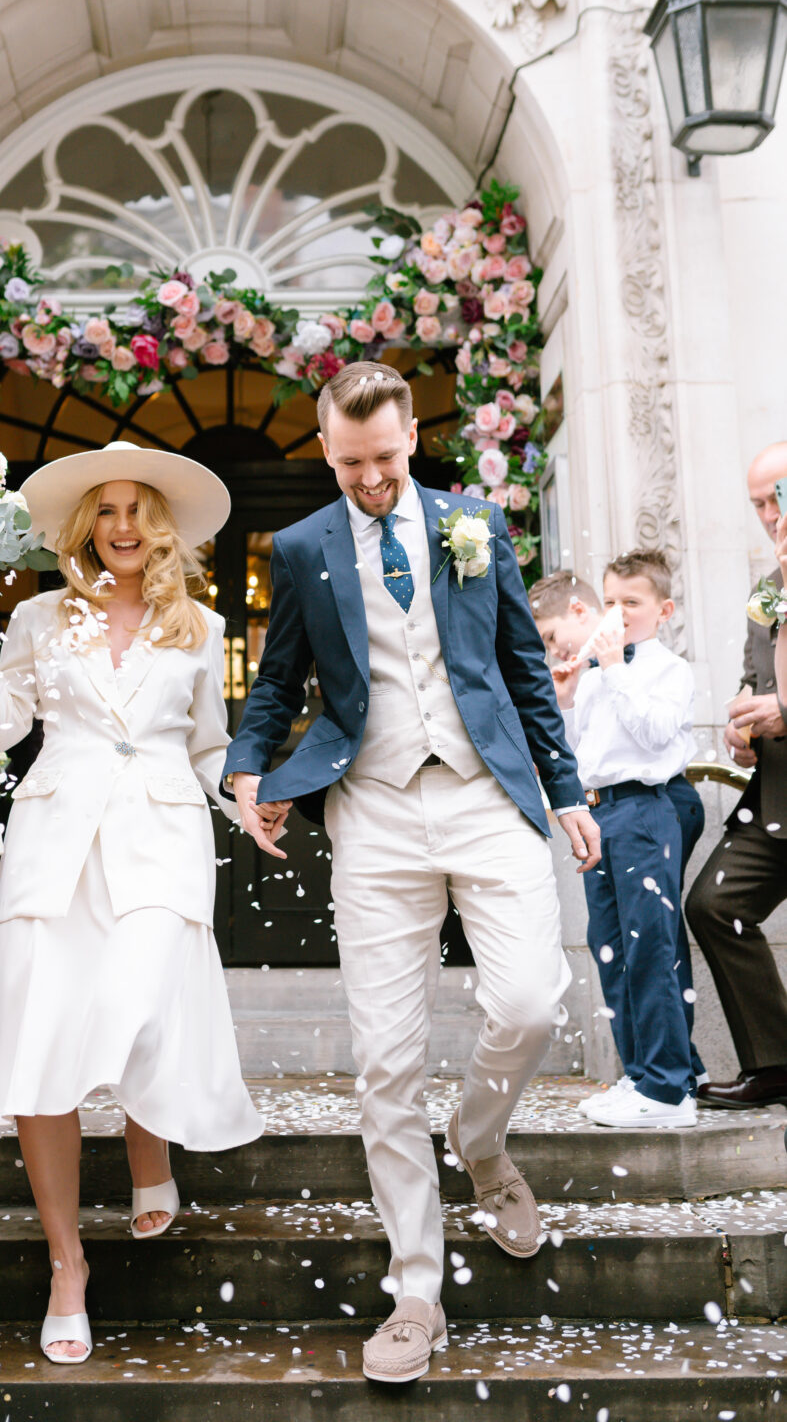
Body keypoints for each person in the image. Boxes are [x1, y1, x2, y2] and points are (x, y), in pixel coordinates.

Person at [223, 362, 598, 1384]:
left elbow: (521, 665)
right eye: (348, 464)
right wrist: (248, 766)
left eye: (384, 459)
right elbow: (278, 676)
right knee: (384, 1060)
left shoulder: (473, 524)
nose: (369, 480)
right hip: (374, 807)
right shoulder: (302, 547)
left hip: (486, 795)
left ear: (410, 436)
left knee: (527, 1001)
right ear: (324, 450)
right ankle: (415, 1289)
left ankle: (479, 1140)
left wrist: (562, 789)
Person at [0, 441, 264, 1366]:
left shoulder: (199, 626)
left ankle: (149, 1157)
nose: (122, 527)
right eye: (106, 511)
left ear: (160, 526)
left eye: (137, 511)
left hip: (162, 836)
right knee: (42, 1037)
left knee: (148, 998)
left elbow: (210, 746)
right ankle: (66, 1262)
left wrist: (242, 795)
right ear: (85, 526)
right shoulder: (42, 616)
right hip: (54, 837)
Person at [533, 552, 702, 1128]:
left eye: (633, 602)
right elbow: (585, 753)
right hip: (601, 814)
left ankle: (670, 1090)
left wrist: (615, 671)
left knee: (650, 946)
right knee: (610, 946)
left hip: (646, 810)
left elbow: (654, 735)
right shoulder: (602, 673)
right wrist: (569, 694)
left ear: (663, 610)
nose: (620, 613)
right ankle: (641, 1074)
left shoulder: (667, 669)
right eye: (612, 601)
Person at [685, 442, 787, 1109]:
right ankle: (775, 1066)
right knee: (713, 906)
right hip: (773, 797)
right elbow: (757, 683)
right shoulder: (766, 591)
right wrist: (740, 729)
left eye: (776, 496)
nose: (768, 515)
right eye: (756, 504)